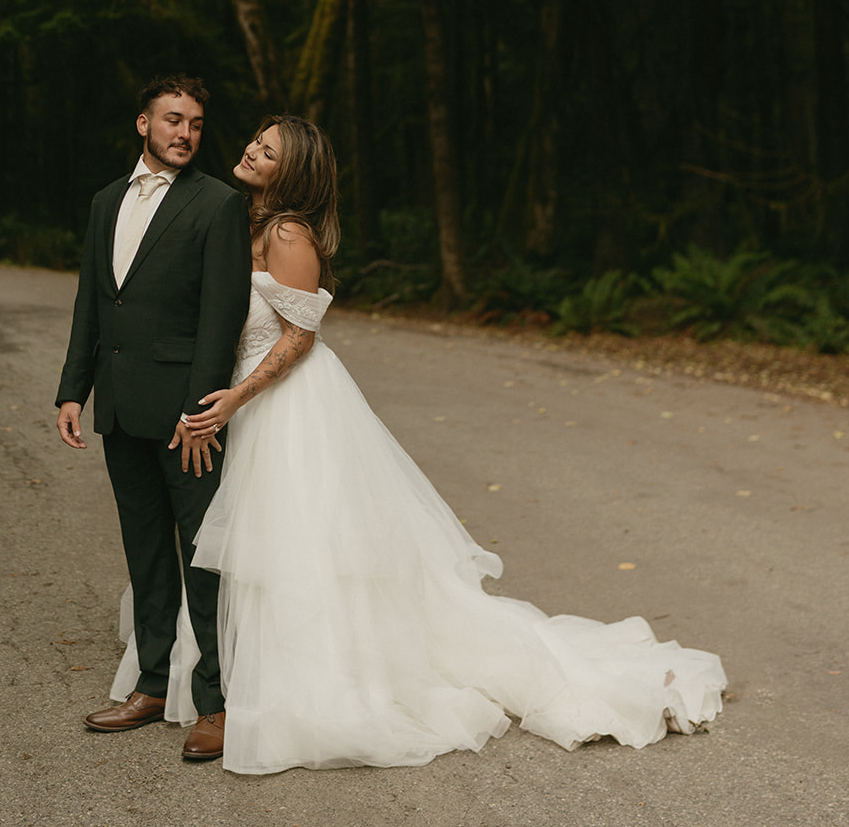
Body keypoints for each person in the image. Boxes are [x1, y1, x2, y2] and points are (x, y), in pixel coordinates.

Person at [109, 111, 727, 773]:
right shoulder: (238, 219)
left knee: (294, 541)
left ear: (295, 172)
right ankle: (225, 674)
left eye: (269, 151)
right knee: (243, 544)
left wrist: (234, 397)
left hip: (285, 405)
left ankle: (296, 682)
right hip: (240, 401)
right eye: (255, 143)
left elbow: (297, 336)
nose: (253, 152)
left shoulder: (289, 234)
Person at [55, 74, 251, 763]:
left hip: (183, 418)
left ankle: (217, 703)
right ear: (143, 124)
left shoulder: (218, 205)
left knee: (203, 558)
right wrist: (72, 390)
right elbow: (92, 302)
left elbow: (220, 317)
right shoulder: (106, 201)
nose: (184, 133)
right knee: (145, 553)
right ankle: (148, 684)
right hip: (119, 408)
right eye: (172, 120)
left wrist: (199, 413)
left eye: (195, 123)